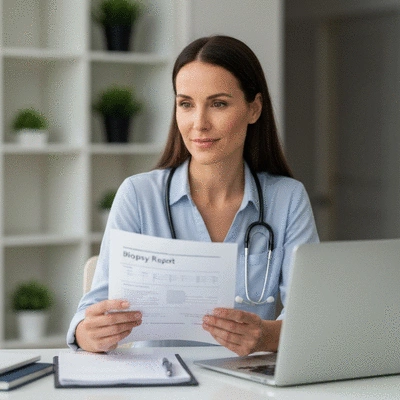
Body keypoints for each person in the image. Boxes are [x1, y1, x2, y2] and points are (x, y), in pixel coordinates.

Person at [67, 35, 319, 356]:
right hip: (159, 385)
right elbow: (89, 311)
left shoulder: (287, 198)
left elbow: (309, 317)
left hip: (248, 385)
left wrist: (267, 337)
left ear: (253, 109)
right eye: (186, 104)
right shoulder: (138, 195)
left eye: (218, 104)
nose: (199, 123)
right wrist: (88, 333)